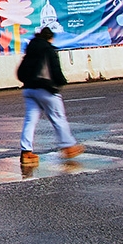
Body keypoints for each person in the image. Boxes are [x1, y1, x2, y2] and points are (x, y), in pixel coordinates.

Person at [16, 27, 84, 168]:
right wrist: (61, 82)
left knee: (30, 120)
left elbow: (22, 70)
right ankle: (68, 146)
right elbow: (55, 71)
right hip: (45, 88)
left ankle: (26, 152)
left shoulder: (31, 48)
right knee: (58, 118)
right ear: (50, 38)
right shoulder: (48, 49)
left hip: (29, 89)